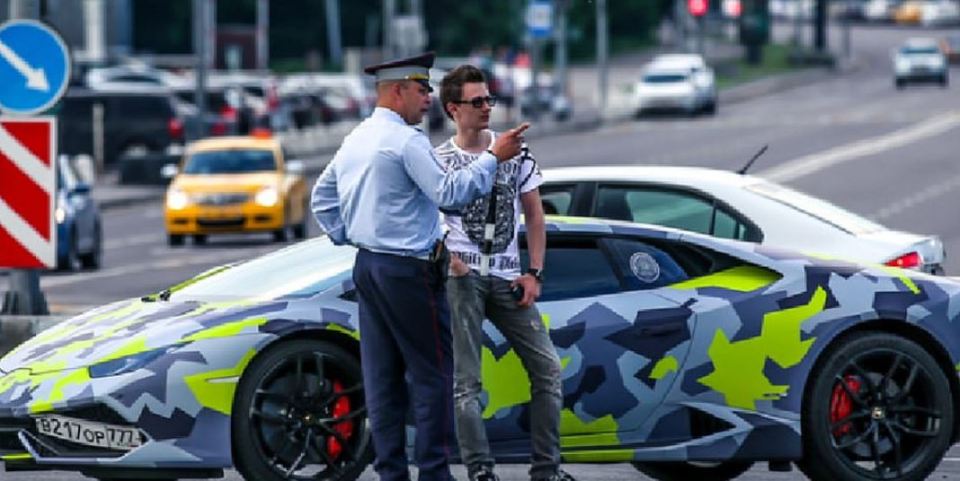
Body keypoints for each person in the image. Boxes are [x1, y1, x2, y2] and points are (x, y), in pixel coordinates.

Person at [310, 52, 530, 481]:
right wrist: (494, 158)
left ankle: (391, 472)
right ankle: (434, 473)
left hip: (370, 267)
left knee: (383, 379)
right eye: (422, 89)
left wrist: (355, 234)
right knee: (432, 376)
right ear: (398, 92)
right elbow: (449, 193)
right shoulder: (406, 140)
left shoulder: (358, 136)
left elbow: (323, 197)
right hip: (409, 272)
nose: (429, 98)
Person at [436, 65, 573, 481]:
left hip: (509, 274)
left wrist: (535, 271)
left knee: (547, 368)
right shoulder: (440, 160)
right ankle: (480, 470)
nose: (486, 108)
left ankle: (546, 470)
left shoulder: (515, 150)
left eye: (488, 100)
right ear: (453, 109)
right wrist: (451, 259)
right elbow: (429, 218)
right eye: (476, 102)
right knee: (467, 382)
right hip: (464, 276)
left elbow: (535, 213)